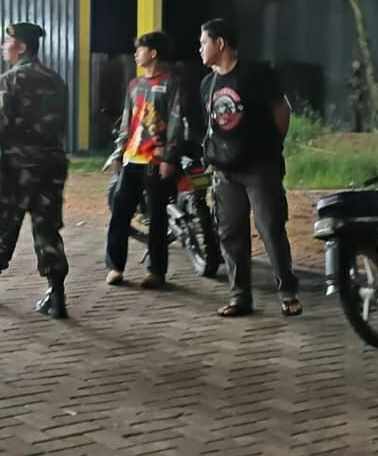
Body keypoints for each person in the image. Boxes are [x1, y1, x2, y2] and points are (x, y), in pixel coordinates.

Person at [0, 21, 71, 319]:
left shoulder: (8, 81)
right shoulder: (56, 80)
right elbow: (60, 127)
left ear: (20, 47)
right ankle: (56, 294)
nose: (2, 47)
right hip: (50, 166)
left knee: (2, 226)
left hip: (15, 168)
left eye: (7, 42)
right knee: (47, 228)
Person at [198, 18, 300, 318]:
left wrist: (272, 147)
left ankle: (287, 291)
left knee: (270, 227)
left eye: (204, 42)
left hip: (259, 167)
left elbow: (282, 110)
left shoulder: (256, 74)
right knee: (231, 233)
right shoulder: (207, 84)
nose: (200, 49)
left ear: (220, 43)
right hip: (224, 171)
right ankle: (240, 296)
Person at [105, 31, 187, 289]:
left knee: (157, 217)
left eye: (139, 50)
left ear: (153, 53)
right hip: (132, 158)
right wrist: (119, 153)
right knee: (120, 212)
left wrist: (169, 158)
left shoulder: (172, 84)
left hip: (156, 160)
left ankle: (156, 271)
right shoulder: (134, 85)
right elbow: (127, 122)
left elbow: (176, 123)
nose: (135, 54)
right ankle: (115, 267)